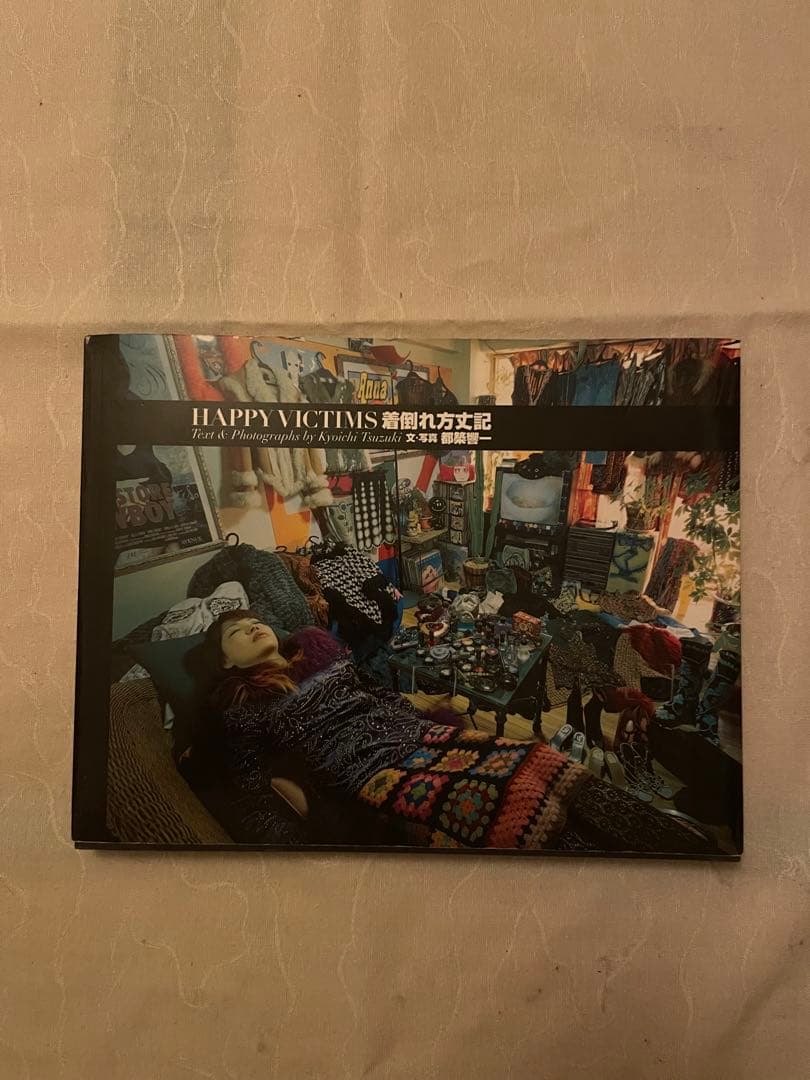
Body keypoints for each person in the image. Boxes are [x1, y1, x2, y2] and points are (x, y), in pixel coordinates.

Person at [199, 609, 719, 854]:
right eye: (235, 632)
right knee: (515, 804)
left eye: (254, 620)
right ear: (226, 661)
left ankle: (670, 842)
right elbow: (247, 790)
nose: (252, 626)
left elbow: (378, 694)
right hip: (373, 771)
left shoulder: (319, 654)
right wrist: (297, 844)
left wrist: (419, 710)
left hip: (418, 738)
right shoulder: (246, 708)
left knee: (541, 761)